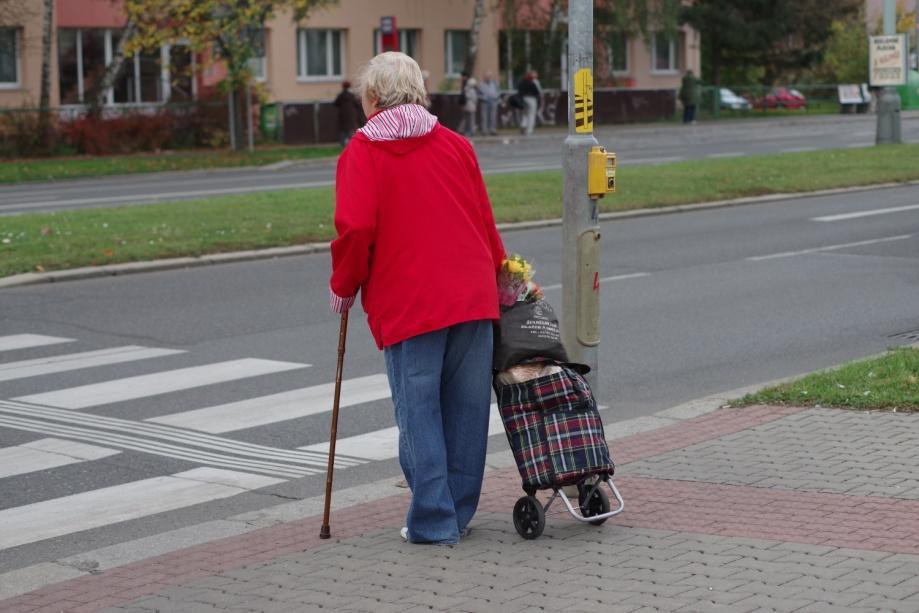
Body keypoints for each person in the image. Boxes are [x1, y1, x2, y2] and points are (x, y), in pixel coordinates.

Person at [329, 52, 505, 545]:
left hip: (410, 302)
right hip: (472, 295)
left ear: (371, 97)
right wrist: (501, 274)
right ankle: (457, 513)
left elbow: (356, 227)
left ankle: (432, 519)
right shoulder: (455, 145)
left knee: (419, 409)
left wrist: (343, 286)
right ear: (420, 93)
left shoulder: (362, 151)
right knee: (468, 409)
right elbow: (483, 219)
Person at [333, 81, 363, 147]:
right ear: (349, 87)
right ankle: (353, 143)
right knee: (351, 129)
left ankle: (343, 144)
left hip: (342, 117)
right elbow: (358, 105)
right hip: (351, 117)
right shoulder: (352, 96)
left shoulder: (340, 96)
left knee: (343, 130)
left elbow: (335, 104)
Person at [517, 71, 541, 135]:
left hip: (523, 99)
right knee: (531, 115)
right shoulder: (532, 83)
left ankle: (523, 125)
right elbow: (537, 92)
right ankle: (529, 130)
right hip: (532, 99)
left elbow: (519, 91)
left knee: (525, 114)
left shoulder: (521, 82)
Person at [478, 70, 500, 136]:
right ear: (484, 77)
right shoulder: (481, 84)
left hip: (493, 101)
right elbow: (478, 94)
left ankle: (493, 130)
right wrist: (483, 97)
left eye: (489, 76)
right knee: (484, 117)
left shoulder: (494, 83)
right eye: (486, 76)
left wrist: (495, 96)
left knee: (493, 116)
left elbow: (498, 91)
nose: (488, 77)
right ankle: (484, 131)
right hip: (484, 102)